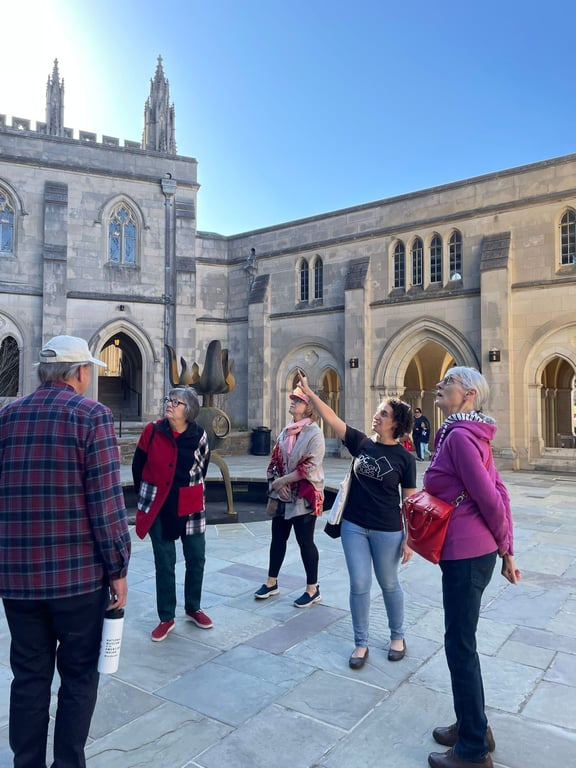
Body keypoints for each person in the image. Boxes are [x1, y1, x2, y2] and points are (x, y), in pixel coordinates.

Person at [0, 335, 131, 768]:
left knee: (29, 677)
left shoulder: (8, 415)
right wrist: (118, 569)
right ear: (79, 373)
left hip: (17, 579)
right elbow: (108, 505)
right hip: (76, 581)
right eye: (89, 370)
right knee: (77, 678)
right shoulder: (93, 416)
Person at [424, 367, 520, 768]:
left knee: (460, 646)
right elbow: (499, 489)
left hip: (467, 553)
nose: (440, 386)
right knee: (463, 643)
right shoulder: (468, 435)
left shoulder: (461, 438)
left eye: (448, 383)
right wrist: (505, 547)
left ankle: (472, 751)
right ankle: (473, 725)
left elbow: (491, 497)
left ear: (468, 395)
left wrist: (506, 549)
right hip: (467, 551)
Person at [297, 373, 416, 668]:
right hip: (354, 526)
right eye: (378, 411)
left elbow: (410, 501)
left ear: (396, 423)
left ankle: (397, 637)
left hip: (388, 530)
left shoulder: (405, 459)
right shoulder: (362, 444)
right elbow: (332, 418)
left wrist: (411, 538)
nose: (377, 416)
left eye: (384, 413)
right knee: (359, 583)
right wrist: (310, 392)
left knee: (389, 583)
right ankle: (360, 643)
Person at [132, 387, 213, 641]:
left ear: (188, 410)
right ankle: (166, 617)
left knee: (196, 557)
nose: (170, 404)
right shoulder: (152, 431)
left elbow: (202, 467)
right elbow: (137, 466)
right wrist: (147, 494)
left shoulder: (199, 435)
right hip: (159, 505)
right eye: (169, 400)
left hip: (189, 503)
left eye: (176, 402)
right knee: (165, 563)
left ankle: (193, 607)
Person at [254, 385, 325, 607]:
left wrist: (282, 481)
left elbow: (310, 466)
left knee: (305, 542)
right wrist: (278, 482)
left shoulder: (315, 433)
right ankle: (271, 582)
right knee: (278, 539)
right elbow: (275, 459)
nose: (292, 402)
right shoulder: (286, 431)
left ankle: (312, 589)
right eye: (293, 398)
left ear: (308, 407)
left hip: (304, 496)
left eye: (298, 400)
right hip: (284, 494)